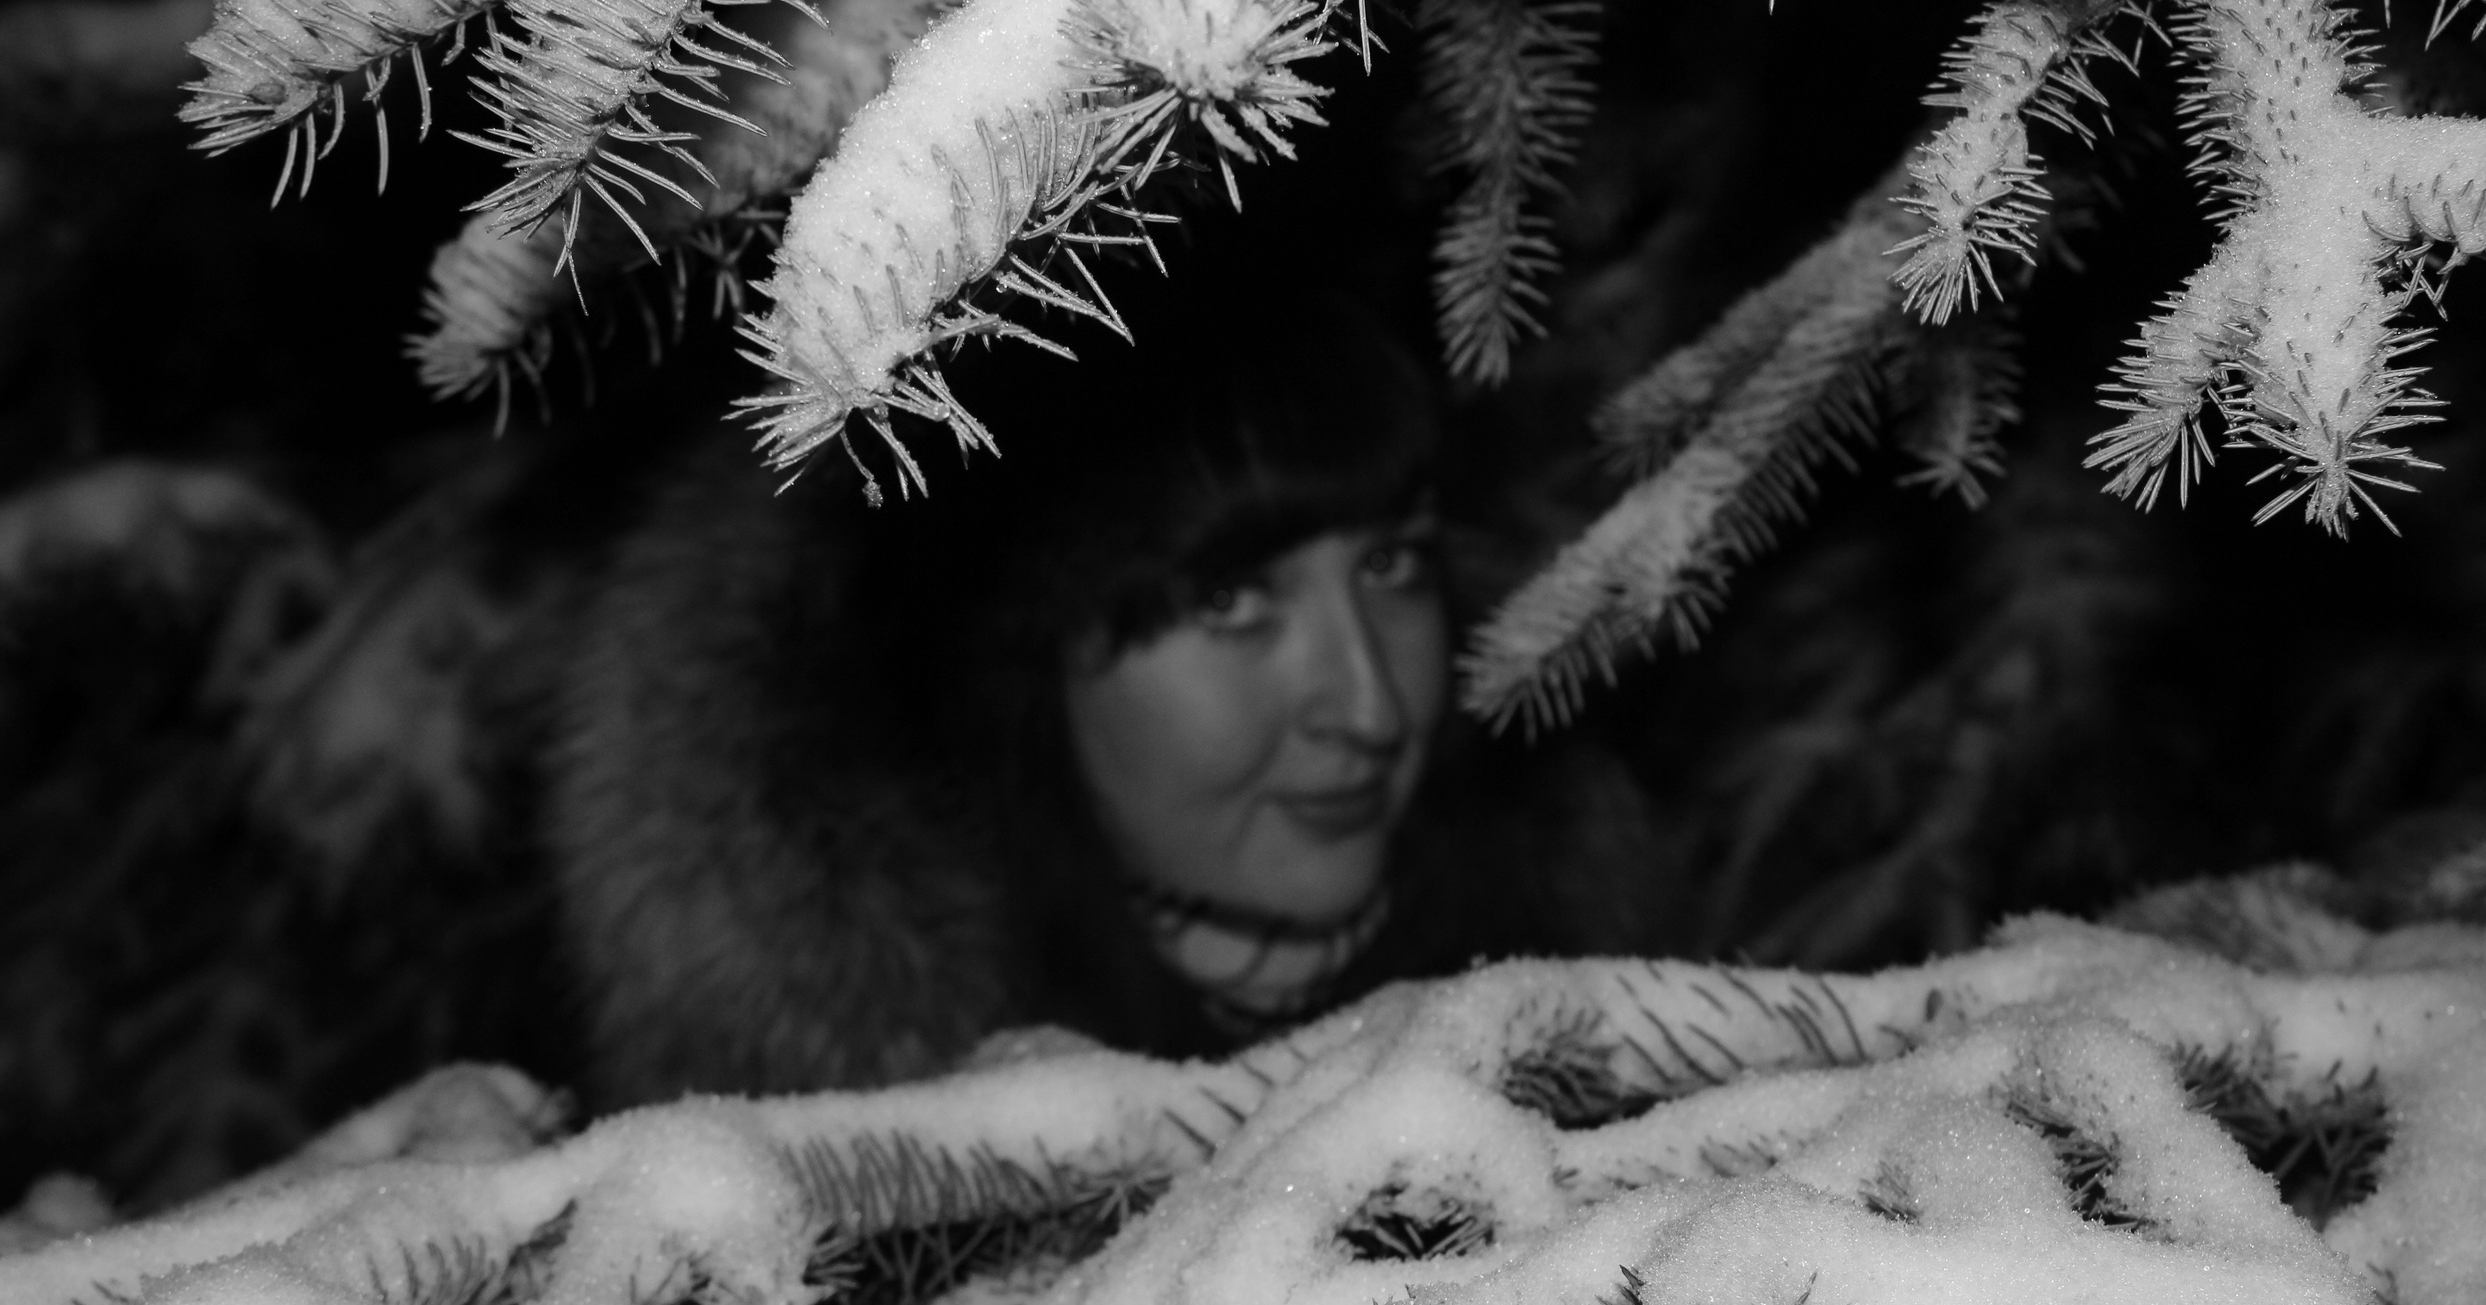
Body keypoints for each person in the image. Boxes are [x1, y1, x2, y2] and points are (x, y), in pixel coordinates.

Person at [548, 293, 1694, 1107]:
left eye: (1392, 566)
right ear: (1026, 664)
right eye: (1233, 601)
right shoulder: (867, 1157)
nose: (1370, 707)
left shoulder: (1627, 1059)